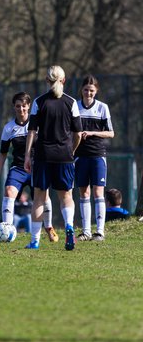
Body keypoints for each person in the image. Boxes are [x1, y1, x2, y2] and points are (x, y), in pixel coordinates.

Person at [24, 65, 82, 250]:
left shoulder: (38, 102)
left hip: (43, 156)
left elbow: (31, 131)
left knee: (39, 198)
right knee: (66, 197)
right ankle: (70, 228)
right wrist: (71, 150)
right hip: (65, 156)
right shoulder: (71, 102)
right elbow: (78, 133)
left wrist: (27, 155)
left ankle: (34, 242)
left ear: (47, 81)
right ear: (63, 80)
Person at [0, 91, 58, 242]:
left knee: (44, 197)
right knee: (9, 191)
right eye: (17, 106)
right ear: (14, 107)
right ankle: (7, 230)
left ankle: (49, 227)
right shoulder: (9, 128)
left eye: (24, 106)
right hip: (19, 168)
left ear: (29, 107)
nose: (21, 109)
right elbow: (3, 153)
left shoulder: (38, 125)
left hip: (38, 167)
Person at [74, 75, 115, 241]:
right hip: (79, 156)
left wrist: (92, 133)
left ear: (96, 91)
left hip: (98, 155)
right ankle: (86, 231)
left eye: (91, 90)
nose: (88, 93)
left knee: (98, 192)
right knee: (84, 193)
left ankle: (99, 231)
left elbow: (111, 133)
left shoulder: (103, 108)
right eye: (86, 90)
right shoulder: (75, 107)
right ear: (81, 90)